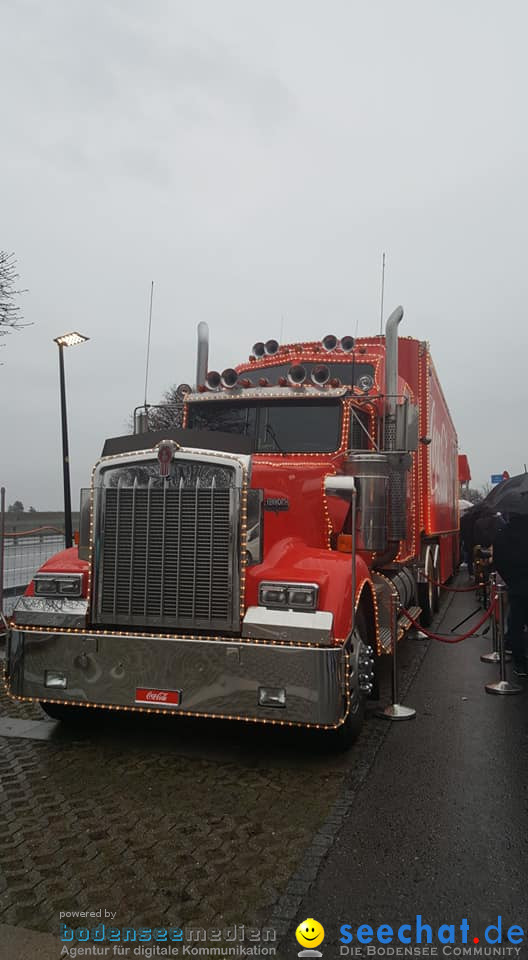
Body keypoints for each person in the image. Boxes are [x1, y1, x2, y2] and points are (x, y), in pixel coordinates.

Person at [492, 513, 528, 678]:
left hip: (516, 586)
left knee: (516, 625)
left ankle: (520, 663)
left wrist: (510, 580)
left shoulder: (503, 533)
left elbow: (498, 561)